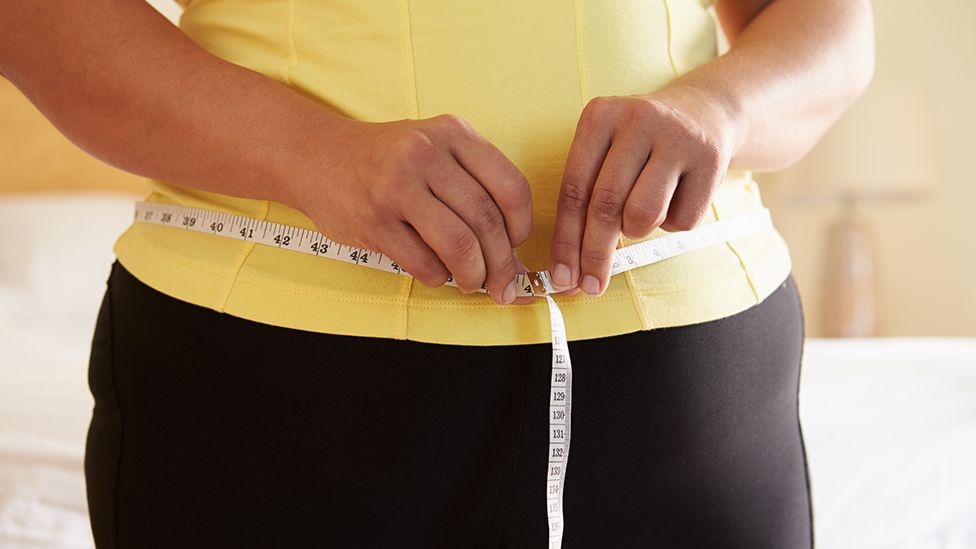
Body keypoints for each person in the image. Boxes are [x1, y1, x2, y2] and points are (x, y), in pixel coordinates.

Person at [0, 0, 874, 547]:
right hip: (265, 382)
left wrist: (720, 105)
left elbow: (832, 22)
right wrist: (311, 153)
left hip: (692, 383)